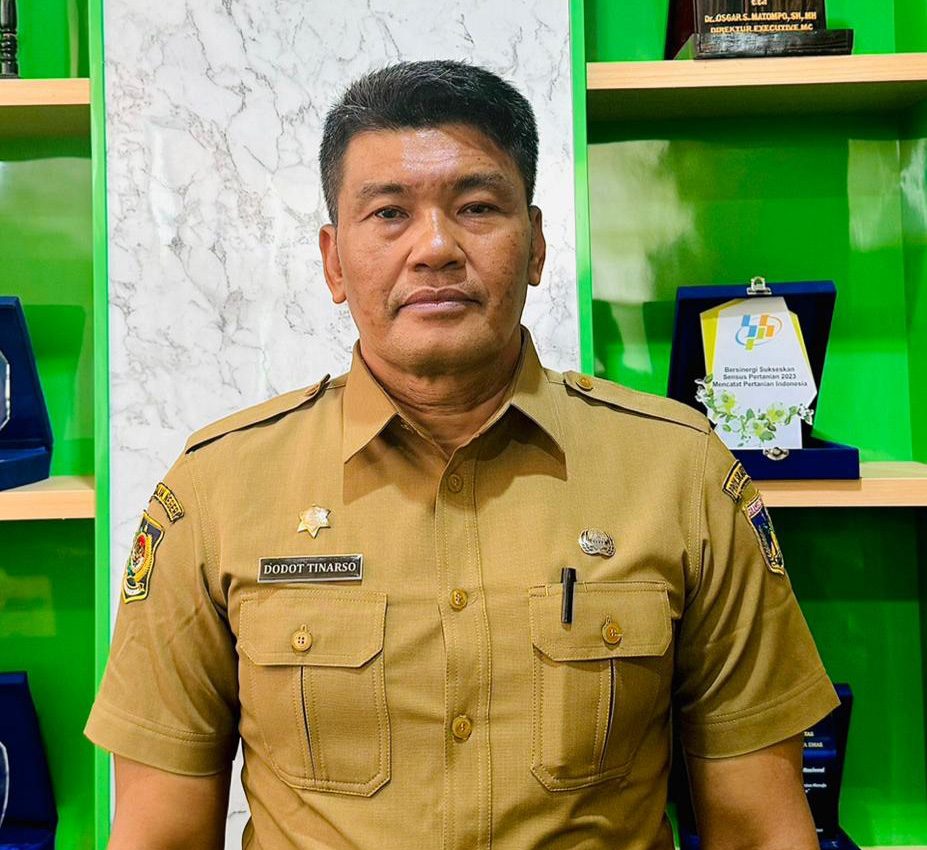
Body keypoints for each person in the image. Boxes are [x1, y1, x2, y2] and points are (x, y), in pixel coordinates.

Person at [86, 60, 839, 850]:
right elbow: (158, 834)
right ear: (334, 261)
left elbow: (760, 827)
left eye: (476, 207)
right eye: (389, 214)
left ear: (536, 245)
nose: (435, 247)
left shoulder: (680, 474)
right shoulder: (218, 488)